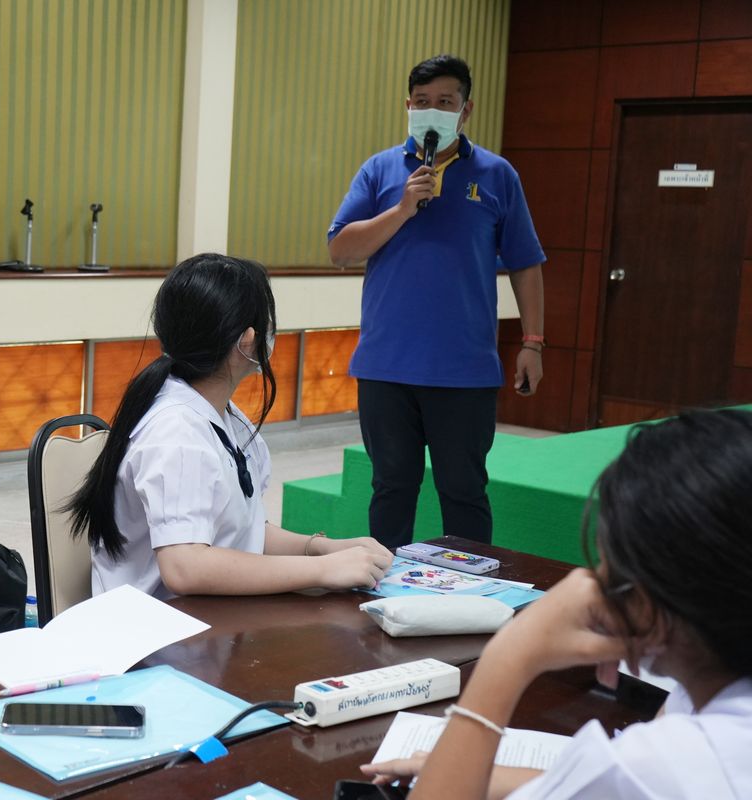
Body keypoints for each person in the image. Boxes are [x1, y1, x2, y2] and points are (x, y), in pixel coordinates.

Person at [362, 409, 752, 799]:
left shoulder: (659, 767)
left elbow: (643, 777)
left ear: (652, 600)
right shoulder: (705, 697)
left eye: (611, 572)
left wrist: (508, 658)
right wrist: (468, 768)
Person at [67, 253, 392, 600]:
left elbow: (242, 533)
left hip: (208, 616)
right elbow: (185, 568)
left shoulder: (220, 414)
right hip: (160, 627)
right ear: (247, 341)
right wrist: (322, 570)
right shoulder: (176, 433)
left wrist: (321, 549)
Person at [327, 54, 546, 549]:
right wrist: (403, 209)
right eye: (422, 101)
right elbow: (341, 250)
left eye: (445, 102)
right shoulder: (379, 170)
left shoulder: (498, 175)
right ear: (408, 106)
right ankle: (383, 584)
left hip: (464, 371)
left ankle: (471, 591)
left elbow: (526, 263)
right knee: (391, 490)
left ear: (466, 110)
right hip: (386, 368)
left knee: (464, 494)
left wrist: (532, 342)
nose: (432, 111)